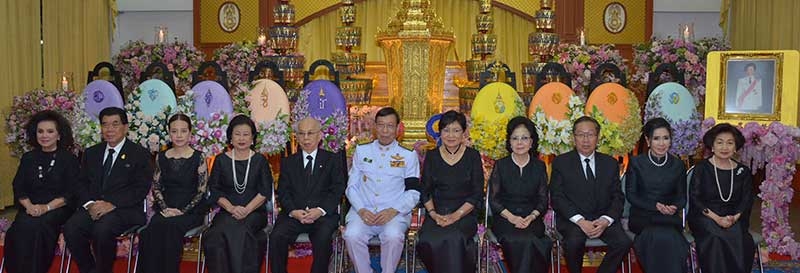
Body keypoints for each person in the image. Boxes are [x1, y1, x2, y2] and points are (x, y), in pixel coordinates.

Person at [64, 107, 153, 273]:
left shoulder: (140, 154)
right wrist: (90, 204)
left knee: (102, 230)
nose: (109, 129)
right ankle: (89, 269)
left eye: (115, 124)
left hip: (125, 210)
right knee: (71, 227)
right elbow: (81, 183)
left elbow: (140, 188)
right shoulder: (91, 153)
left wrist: (111, 204)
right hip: (94, 207)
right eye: (105, 125)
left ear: (125, 128)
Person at [550, 116, 632, 273]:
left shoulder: (610, 163)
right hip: (574, 220)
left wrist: (605, 220)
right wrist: (580, 221)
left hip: (602, 218)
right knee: (574, 242)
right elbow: (557, 197)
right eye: (581, 135)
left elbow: (617, 197)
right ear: (574, 138)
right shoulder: (561, 163)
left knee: (623, 242)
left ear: (597, 137)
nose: (585, 139)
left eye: (590, 134)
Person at [343, 107, 421, 273]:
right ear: (375, 127)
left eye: (390, 126)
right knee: (351, 235)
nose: (385, 131)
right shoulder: (362, 150)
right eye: (381, 125)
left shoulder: (408, 155)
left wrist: (394, 210)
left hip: (394, 213)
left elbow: (413, 192)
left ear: (398, 128)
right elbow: (352, 187)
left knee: (393, 236)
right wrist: (362, 210)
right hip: (364, 211)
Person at [270, 117, 347, 273]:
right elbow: (283, 191)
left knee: (323, 238)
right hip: (294, 214)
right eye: (302, 134)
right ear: (296, 137)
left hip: (322, 215)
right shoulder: (288, 162)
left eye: (310, 133)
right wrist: (293, 211)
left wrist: (320, 210)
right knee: (277, 236)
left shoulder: (332, 160)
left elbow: (338, 189)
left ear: (319, 136)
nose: (306, 138)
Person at [5, 110, 79, 273]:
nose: (44, 135)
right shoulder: (28, 158)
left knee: (39, 227)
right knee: (19, 229)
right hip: (30, 207)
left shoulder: (69, 159)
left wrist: (46, 208)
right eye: (40, 131)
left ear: (59, 135)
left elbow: (71, 192)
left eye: (50, 131)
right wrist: (29, 206)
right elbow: (19, 186)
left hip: (58, 208)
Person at [137, 114, 208, 273]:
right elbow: (156, 186)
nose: (179, 135)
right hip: (166, 208)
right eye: (174, 131)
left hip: (191, 210)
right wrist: (165, 208)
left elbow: (201, 191)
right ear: (169, 134)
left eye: (183, 131)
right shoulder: (161, 157)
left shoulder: (198, 157)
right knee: (150, 231)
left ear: (190, 133)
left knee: (171, 227)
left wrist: (182, 211)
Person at [202, 114, 272, 273]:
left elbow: (264, 191)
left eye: (246, 134)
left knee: (241, 231)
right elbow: (215, 189)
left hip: (253, 212)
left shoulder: (260, 160)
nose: (242, 138)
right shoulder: (221, 160)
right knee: (215, 234)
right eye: (237, 134)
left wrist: (246, 209)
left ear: (253, 137)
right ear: (230, 137)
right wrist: (232, 208)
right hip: (228, 211)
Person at [416, 110, 483, 273]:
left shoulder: (472, 156)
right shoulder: (432, 156)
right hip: (437, 214)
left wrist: (456, 215)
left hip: (464, 213)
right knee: (428, 240)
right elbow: (425, 190)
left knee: (454, 238)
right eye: (446, 130)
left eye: (456, 130)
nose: (451, 135)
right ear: (440, 133)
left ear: (464, 133)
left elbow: (477, 192)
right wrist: (433, 214)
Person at [625, 118, 688, 273]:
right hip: (643, 216)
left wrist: (674, 207)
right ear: (648, 140)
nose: (662, 143)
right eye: (656, 138)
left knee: (671, 238)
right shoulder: (636, 162)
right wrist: (655, 206)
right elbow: (631, 195)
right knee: (660, 236)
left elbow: (682, 197)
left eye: (666, 138)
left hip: (669, 217)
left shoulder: (678, 165)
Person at [689, 123, 754, 273]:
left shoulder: (743, 171)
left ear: (735, 147)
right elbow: (695, 198)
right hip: (706, 216)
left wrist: (733, 218)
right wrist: (717, 219)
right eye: (720, 142)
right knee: (715, 237)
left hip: (734, 216)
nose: (724, 147)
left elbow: (746, 200)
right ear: (712, 146)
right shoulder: (702, 169)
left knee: (744, 240)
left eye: (729, 143)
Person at [489, 116, 551, 273]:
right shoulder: (501, 165)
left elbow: (543, 200)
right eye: (515, 138)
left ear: (531, 142)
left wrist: (530, 217)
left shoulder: (539, 166)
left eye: (524, 138)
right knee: (522, 239)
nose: (519, 143)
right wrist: (512, 217)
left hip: (532, 219)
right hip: (505, 219)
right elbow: (494, 200)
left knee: (536, 240)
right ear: (509, 142)